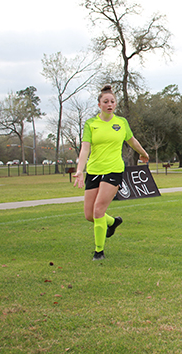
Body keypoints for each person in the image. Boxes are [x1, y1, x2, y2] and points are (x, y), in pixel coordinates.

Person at [73, 85, 150, 260]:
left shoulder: (121, 122)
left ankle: (98, 252)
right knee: (89, 215)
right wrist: (80, 170)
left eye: (112, 102)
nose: (109, 104)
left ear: (115, 104)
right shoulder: (91, 124)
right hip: (93, 170)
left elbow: (132, 141)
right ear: (99, 104)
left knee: (98, 210)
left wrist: (143, 153)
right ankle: (113, 222)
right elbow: (85, 148)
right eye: (105, 101)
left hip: (114, 169)